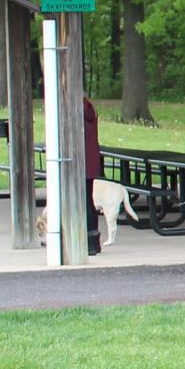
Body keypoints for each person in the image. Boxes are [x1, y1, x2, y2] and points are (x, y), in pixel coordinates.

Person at [83, 96, 103, 255]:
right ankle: (93, 240)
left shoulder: (78, 111)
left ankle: (89, 240)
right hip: (90, 162)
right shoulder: (88, 110)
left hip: (82, 162)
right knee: (89, 201)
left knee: (84, 202)